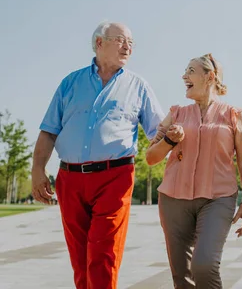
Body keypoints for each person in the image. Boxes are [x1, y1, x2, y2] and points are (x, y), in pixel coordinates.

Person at [31, 21, 164, 289]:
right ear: (99, 43)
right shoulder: (70, 82)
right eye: (121, 40)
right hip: (69, 177)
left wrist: (176, 138)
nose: (128, 46)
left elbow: (158, 134)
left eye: (131, 42)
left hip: (115, 177)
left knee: (103, 255)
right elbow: (48, 131)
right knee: (80, 260)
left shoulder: (138, 86)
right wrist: (37, 169)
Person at [146, 53, 242, 288]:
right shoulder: (176, 113)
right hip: (173, 200)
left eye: (190, 71)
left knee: (204, 265)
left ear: (210, 77)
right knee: (181, 276)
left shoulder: (234, 115)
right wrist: (170, 142)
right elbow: (151, 157)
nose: (184, 76)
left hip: (218, 200)